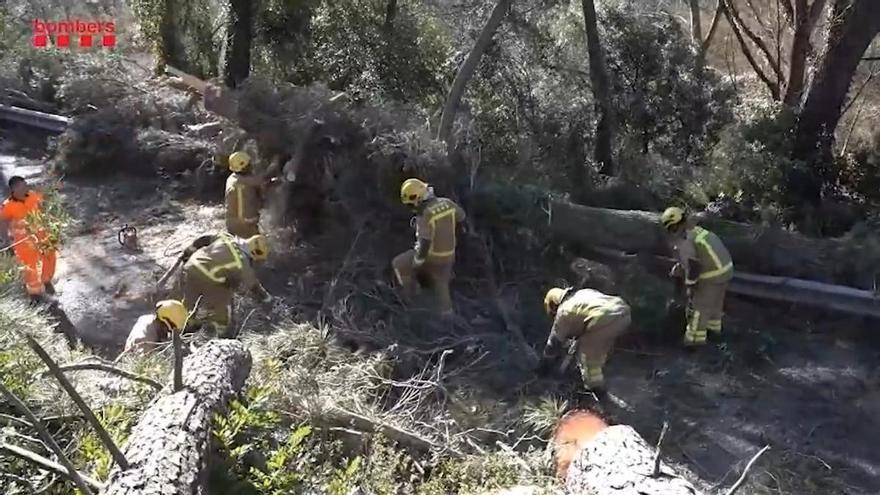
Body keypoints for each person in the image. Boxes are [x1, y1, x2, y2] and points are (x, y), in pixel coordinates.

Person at [392, 178, 466, 317]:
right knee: (442, 288)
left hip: (433, 258)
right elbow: (461, 217)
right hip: (449, 256)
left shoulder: (424, 215)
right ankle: (449, 318)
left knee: (399, 263)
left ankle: (412, 300)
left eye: (410, 204)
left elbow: (425, 244)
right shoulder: (447, 203)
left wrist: (417, 264)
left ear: (417, 199)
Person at [661, 206, 733, 347]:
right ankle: (715, 332)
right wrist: (680, 268)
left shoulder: (685, 241)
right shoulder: (697, 231)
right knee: (715, 305)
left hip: (711, 276)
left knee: (698, 309)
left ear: (674, 227)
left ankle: (694, 342)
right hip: (725, 270)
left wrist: (690, 286)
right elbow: (697, 257)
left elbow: (693, 266)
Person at [537, 287, 632, 393]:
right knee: (600, 349)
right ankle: (601, 375)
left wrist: (543, 366)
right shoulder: (582, 293)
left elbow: (553, 342)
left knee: (587, 355)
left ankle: (596, 390)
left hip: (603, 318)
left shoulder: (564, 310)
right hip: (622, 311)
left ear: (554, 305)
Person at [178, 232, 272, 336]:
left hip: (191, 266)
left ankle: (182, 326)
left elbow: (204, 238)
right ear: (255, 252)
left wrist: (188, 251)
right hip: (207, 276)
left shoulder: (226, 238)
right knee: (223, 301)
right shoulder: (242, 262)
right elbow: (253, 285)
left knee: (189, 301)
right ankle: (223, 334)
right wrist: (266, 298)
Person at [0, 176, 58, 303]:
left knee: (50, 255)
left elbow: (44, 208)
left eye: (25, 184)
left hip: (41, 234)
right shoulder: (8, 205)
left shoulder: (33, 196)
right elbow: (2, 222)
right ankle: (35, 294)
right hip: (23, 240)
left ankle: (46, 281)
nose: (26, 187)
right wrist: (7, 241)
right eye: (22, 186)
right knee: (29, 266)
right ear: (14, 189)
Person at [224, 151, 280, 238]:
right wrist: (276, 163)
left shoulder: (231, 179)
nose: (251, 166)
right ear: (244, 167)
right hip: (246, 225)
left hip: (231, 223)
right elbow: (265, 178)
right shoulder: (248, 181)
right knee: (256, 248)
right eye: (248, 164)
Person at [123, 299, 188, 355]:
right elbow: (144, 366)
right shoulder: (145, 342)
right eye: (169, 330)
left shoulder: (148, 319)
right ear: (164, 323)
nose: (169, 333)